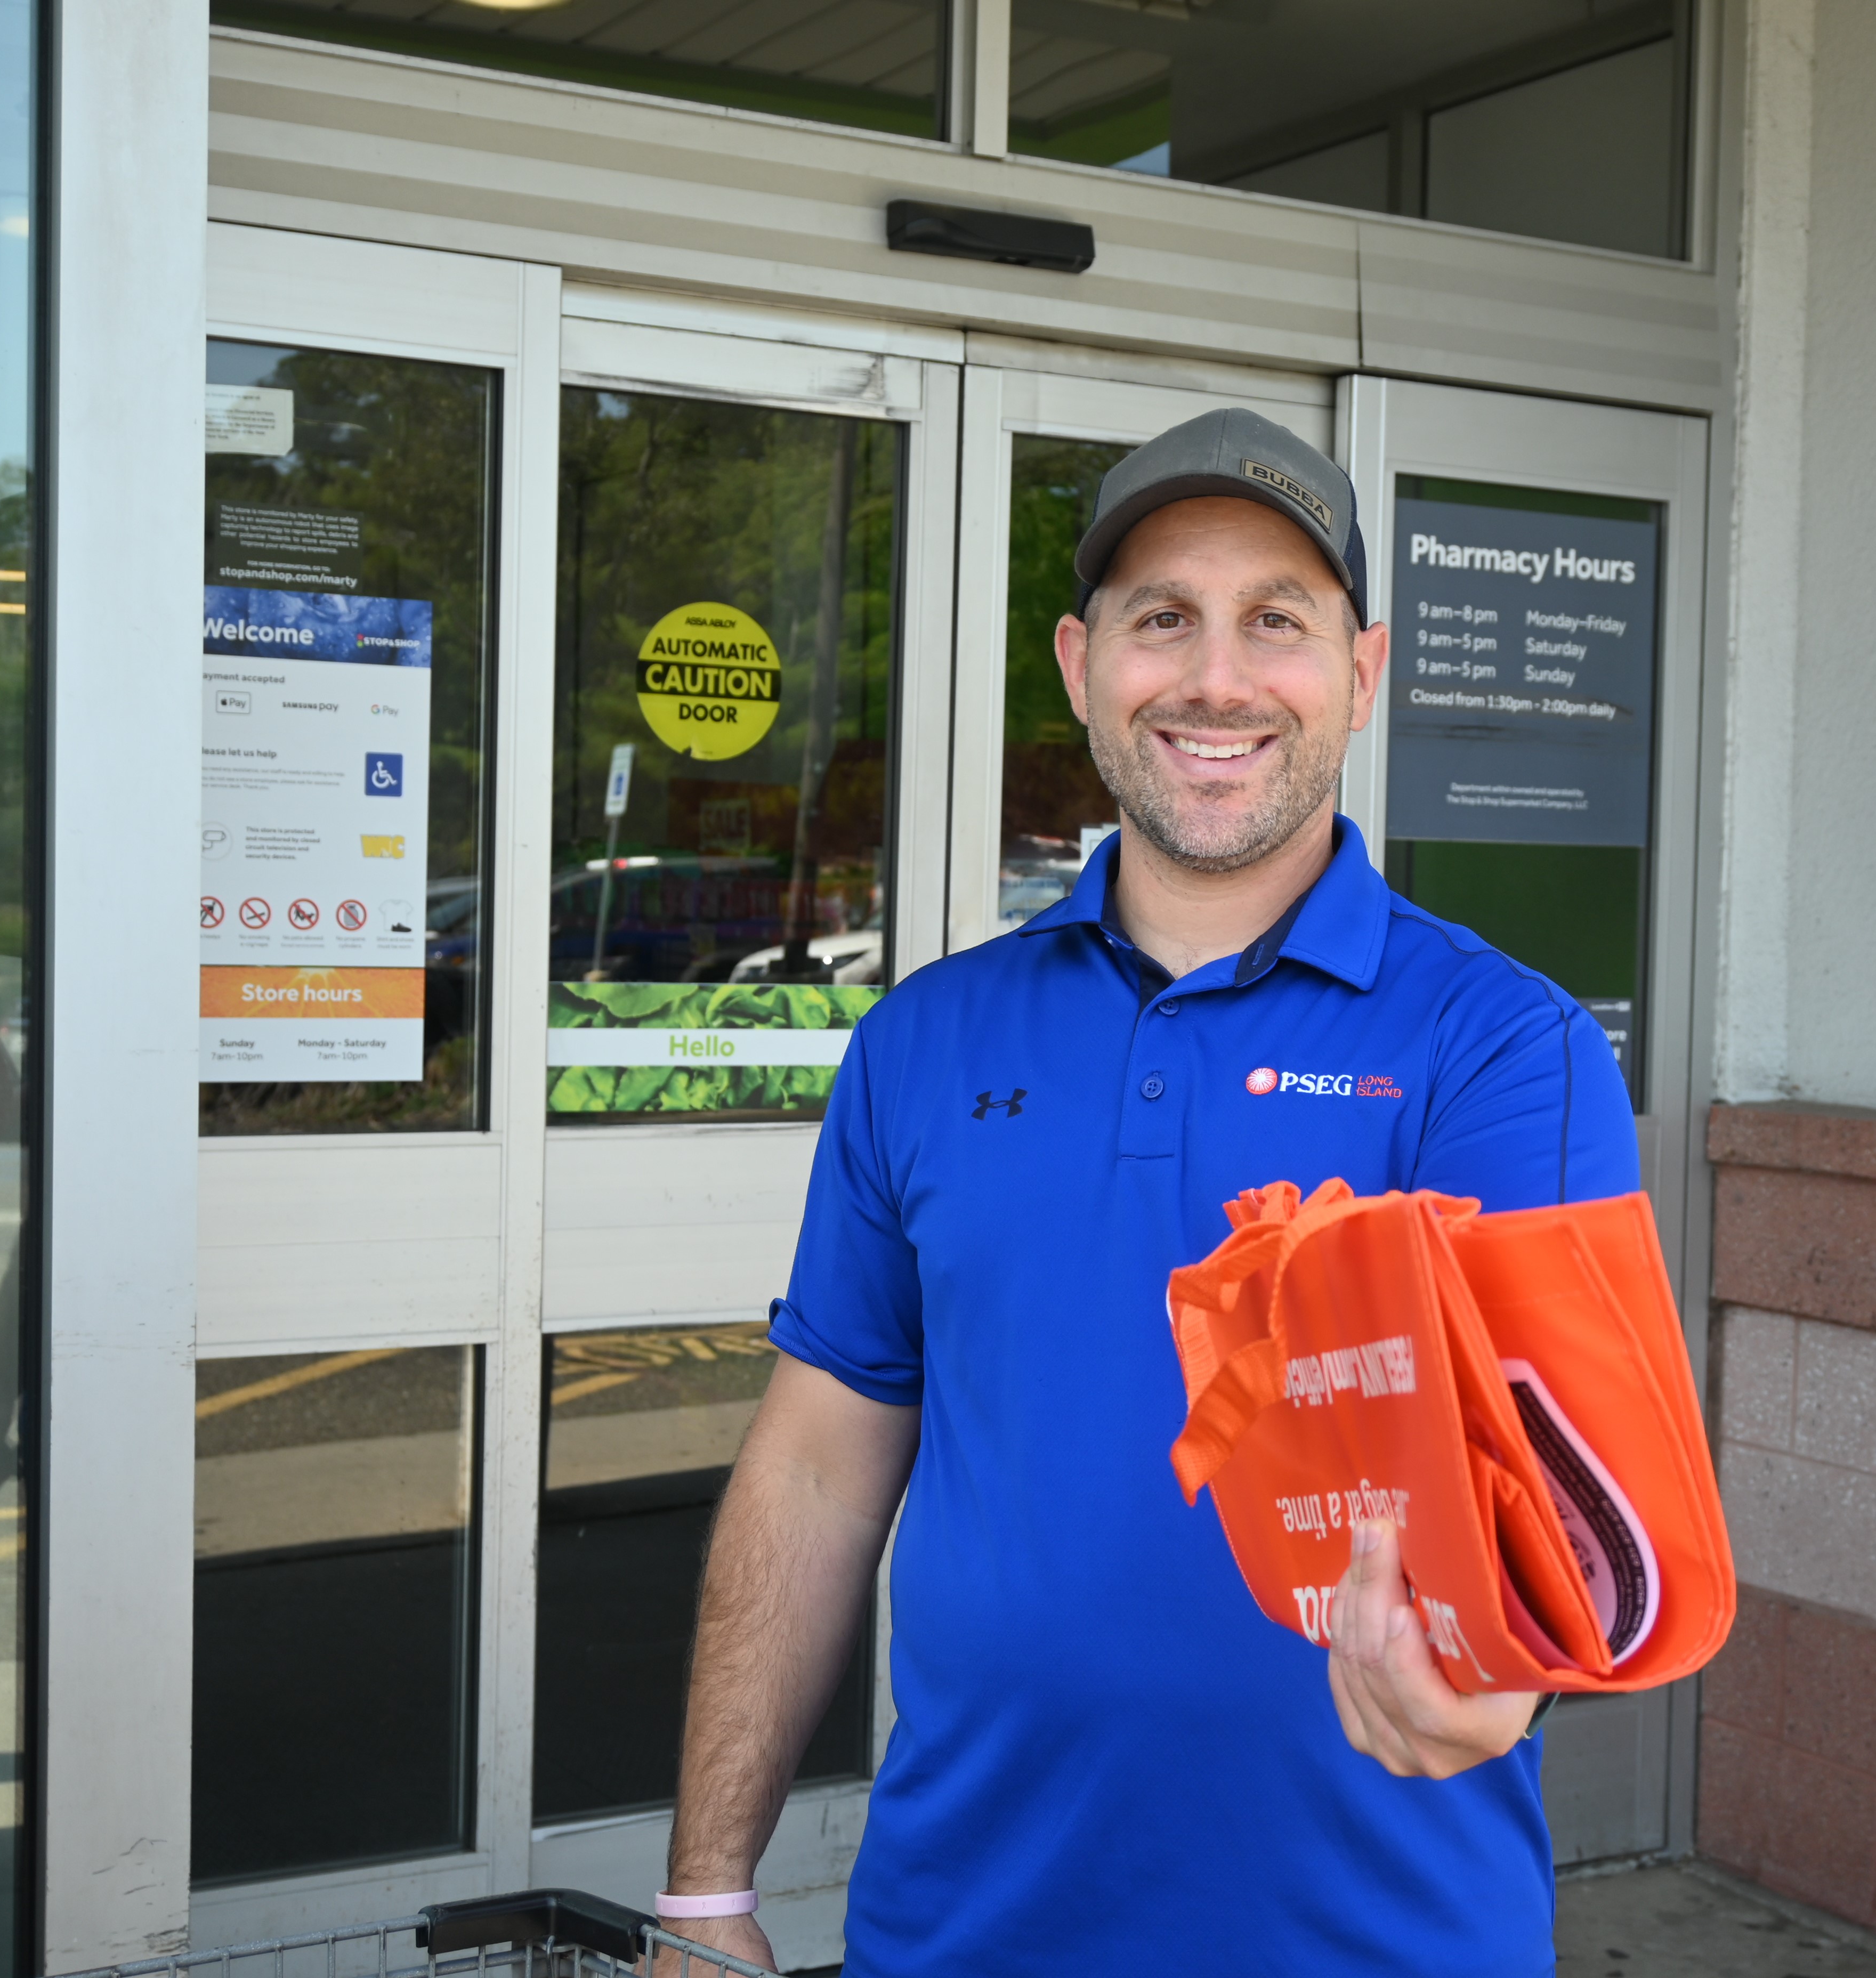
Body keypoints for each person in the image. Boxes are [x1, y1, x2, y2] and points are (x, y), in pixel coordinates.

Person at [659, 408, 1639, 1977]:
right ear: (1077, 662)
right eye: (1162, 618)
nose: (1216, 678)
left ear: (1365, 673)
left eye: (1278, 621)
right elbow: (818, 1475)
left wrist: (1503, 1672)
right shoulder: (927, 1039)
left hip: (1373, 1944)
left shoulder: (1501, 1047)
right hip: (961, 1935)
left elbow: (1558, 1507)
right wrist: (708, 1899)